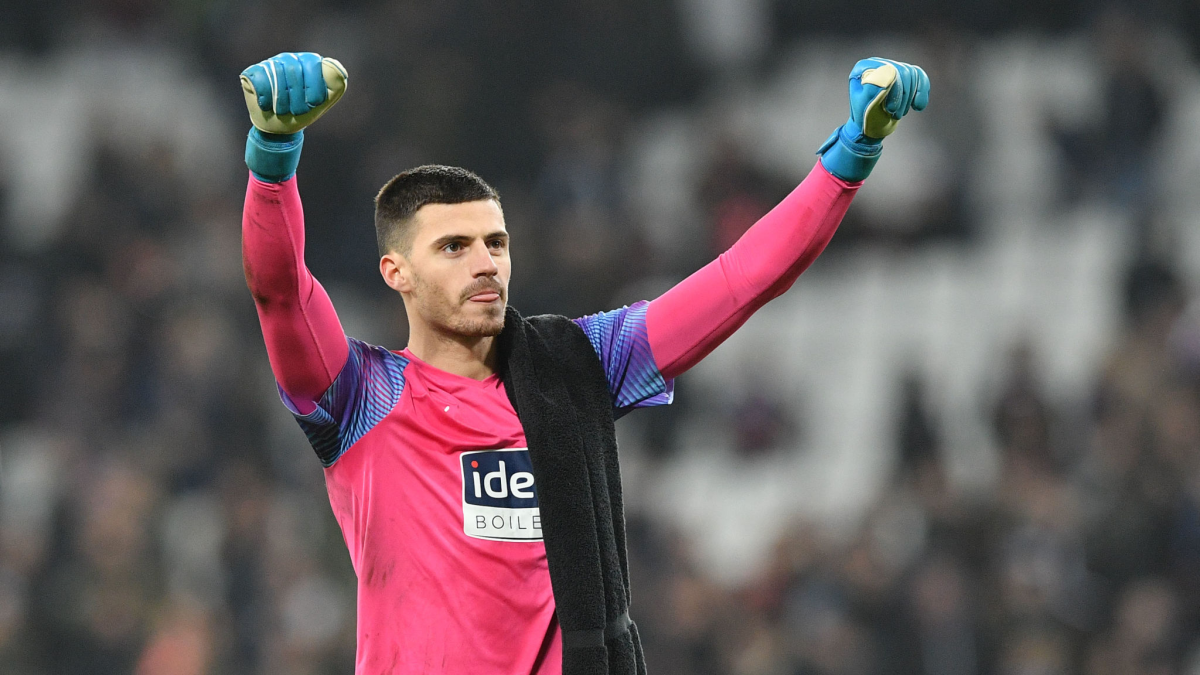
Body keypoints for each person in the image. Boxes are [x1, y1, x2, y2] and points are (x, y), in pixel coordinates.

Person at [239, 52, 928, 675]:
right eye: (454, 246)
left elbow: (741, 280)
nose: (485, 263)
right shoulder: (363, 395)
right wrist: (273, 162)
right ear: (397, 271)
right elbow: (280, 289)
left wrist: (850, 155)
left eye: (495, 242)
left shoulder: (579, 364)